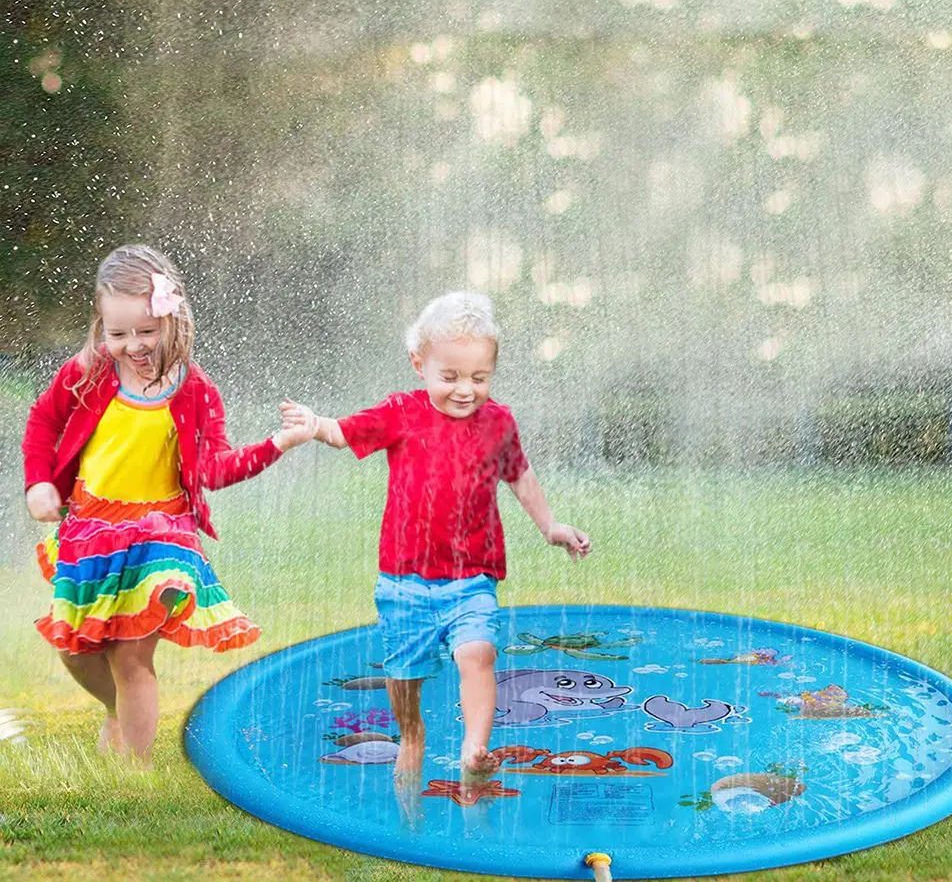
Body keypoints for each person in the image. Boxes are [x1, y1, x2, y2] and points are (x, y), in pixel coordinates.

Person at [280, 291, 591, 796]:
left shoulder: (499, 422)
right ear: (419, 364)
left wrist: (550, 526)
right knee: (403, 673)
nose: (465, 390)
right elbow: (345, 432)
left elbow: (519, 475)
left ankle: (474, 747)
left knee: (479, 652)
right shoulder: (401, 413)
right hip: (404, 578)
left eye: (479, 377)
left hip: (472, 577)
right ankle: (412, 733)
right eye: (450, 377)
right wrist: (316, 425)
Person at [21, 244, 313, 769]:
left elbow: (216, 469)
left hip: (161, 531)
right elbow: (43, 425)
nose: (133, 345)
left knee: (132, 653)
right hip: (91, 527)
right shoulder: (85, 372)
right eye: (118, 333)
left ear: (172, 319)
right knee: (76, 648)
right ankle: (119, 710)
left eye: (146, 331)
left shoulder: (196, 390)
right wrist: (39, 484)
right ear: (101, 326)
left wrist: (277, 444)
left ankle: (136, 772)